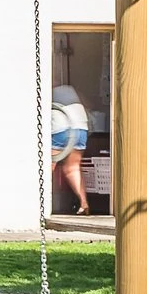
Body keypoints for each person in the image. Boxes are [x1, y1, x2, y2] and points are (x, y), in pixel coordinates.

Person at [49, 82, 91, 216]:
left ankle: (38, 203)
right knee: (72, 168)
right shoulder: (70, 89)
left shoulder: (45, 87)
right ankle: (83, 203)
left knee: (48, 164)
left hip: (61, 127)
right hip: (81, 127)